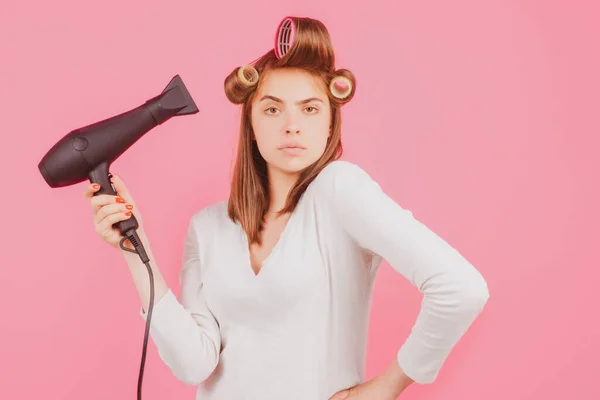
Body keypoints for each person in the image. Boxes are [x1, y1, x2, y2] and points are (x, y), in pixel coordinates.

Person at [83, 16, 489, 400]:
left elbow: (460, 289)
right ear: (252, 125)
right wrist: (135, 252)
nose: (291, 125)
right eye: (273, 109)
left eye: (310, 109)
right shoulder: (209, 226)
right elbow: (194, 365)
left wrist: (386, 388)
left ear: (330, 122)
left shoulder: (339, 191)